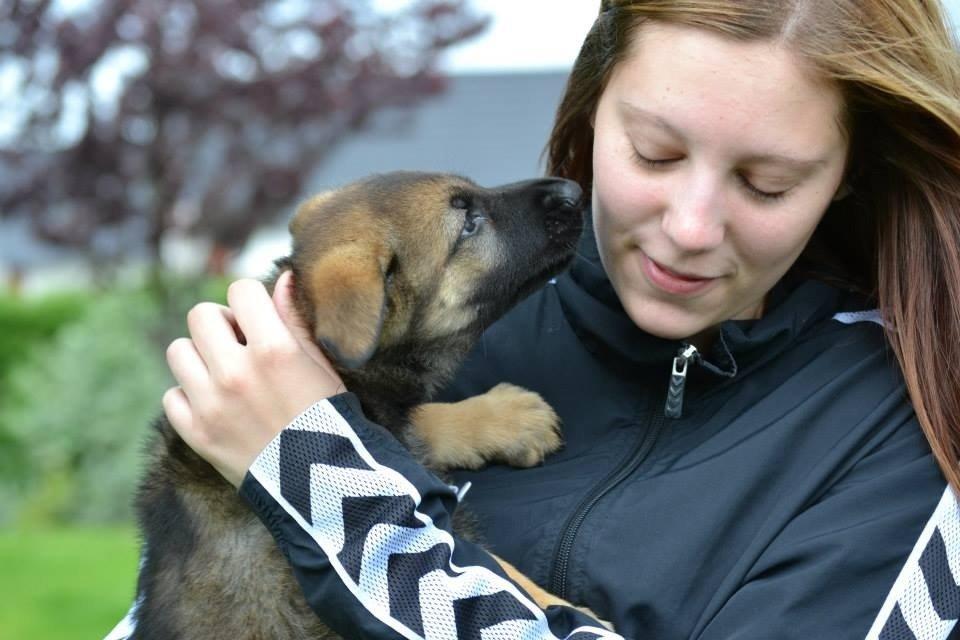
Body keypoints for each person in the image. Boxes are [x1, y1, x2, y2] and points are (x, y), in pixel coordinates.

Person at [157, 1, 960, 638]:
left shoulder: (915, 433)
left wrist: (319, 482)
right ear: (590, 107)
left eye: (767, 183)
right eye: (654, 152)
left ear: (851, 174)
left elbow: (322, 493)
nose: (691, 227)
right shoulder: (448, 329)